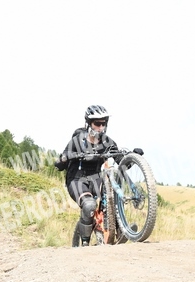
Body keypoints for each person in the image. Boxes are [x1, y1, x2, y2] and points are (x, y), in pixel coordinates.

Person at [55, 105, 142, 246]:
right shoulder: (77, 140)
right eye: (97, 123)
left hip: (96, 177)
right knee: (89, 205)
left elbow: (121, 163)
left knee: (112, 192)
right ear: (89, 123)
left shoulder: (107, 142)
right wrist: (63, 159)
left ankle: (119, 229)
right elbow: (60, 165)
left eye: (103, 123)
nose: (101, 127)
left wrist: (133, 157)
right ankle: (85, 244)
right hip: (76, 179)